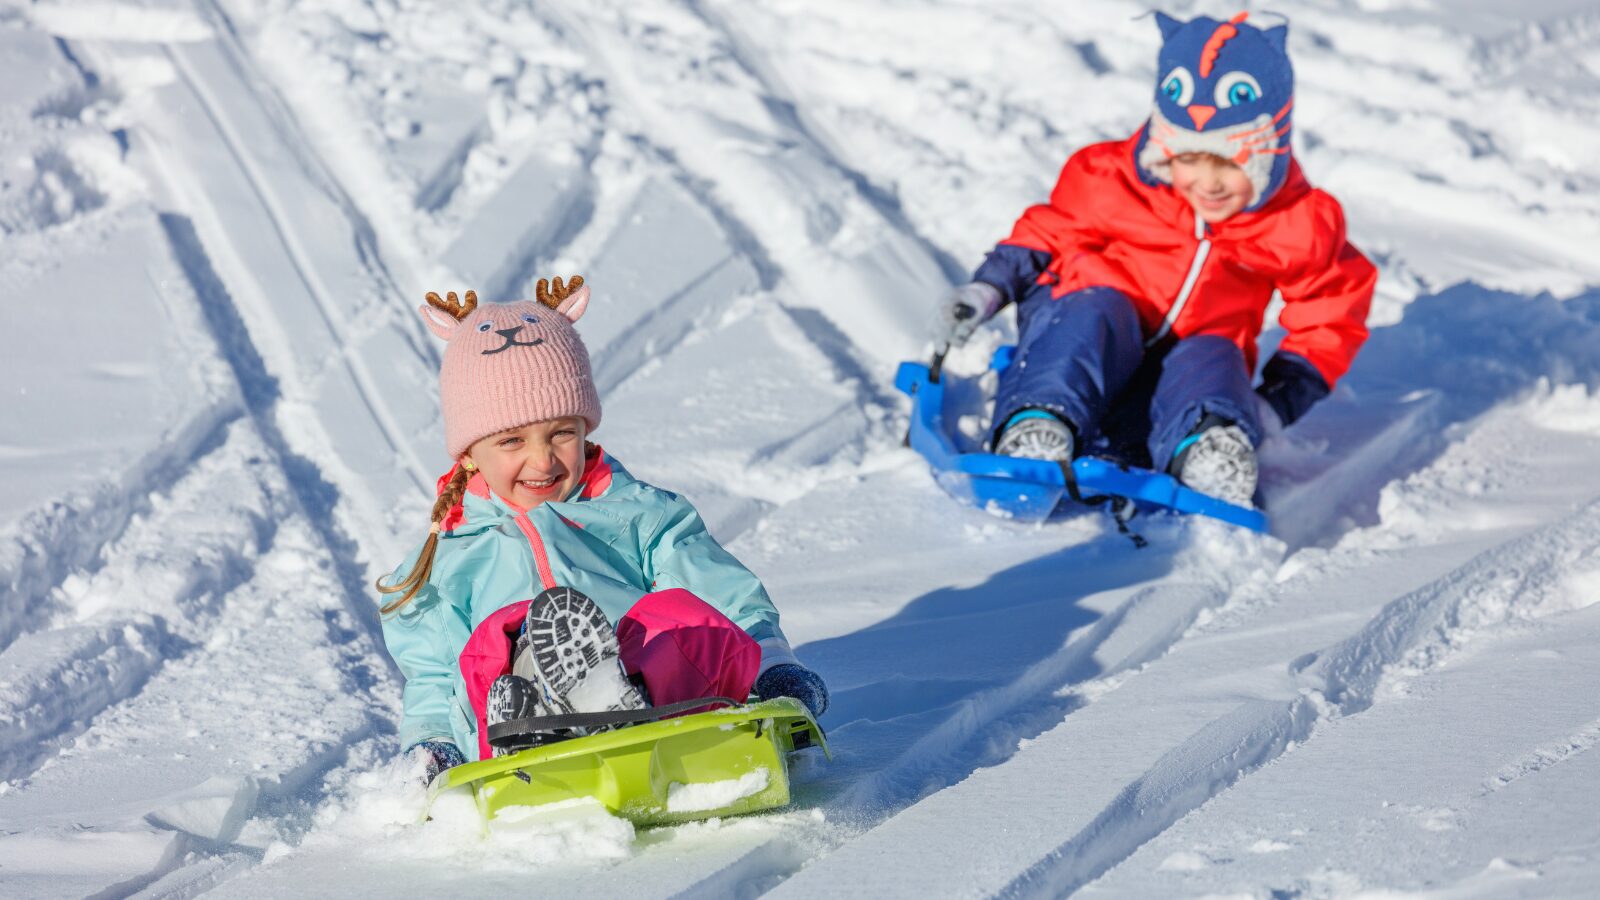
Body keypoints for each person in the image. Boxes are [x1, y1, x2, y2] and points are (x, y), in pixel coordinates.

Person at [376, 277, 828, 782]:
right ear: (468, 452)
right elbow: (435, 675)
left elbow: (721, 591)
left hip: (653, 696)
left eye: (562, 433)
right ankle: (539, 712)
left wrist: (771, 664)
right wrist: (433, 745)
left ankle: (610, 697)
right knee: (492, 644)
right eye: (511, 441)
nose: (541, 459)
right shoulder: (452, 555)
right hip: (508, 728)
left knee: (678, 616)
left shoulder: (638, 513)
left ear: (586, 428)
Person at [937, 11, 1376, 506]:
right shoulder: (1110, 180)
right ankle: (1039, 424)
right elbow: (1046, 234)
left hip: (1179, 370)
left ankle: (1210, 448)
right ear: (1165, 149)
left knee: (1215, 353)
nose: (1207, 184)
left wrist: (1276, 401)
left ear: (1267, 156)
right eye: (1188, 159)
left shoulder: (1296, 221)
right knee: (1096, 310)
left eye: (1230, 165)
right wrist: (989, 288)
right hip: (1090, 332)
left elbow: (1332, 308)